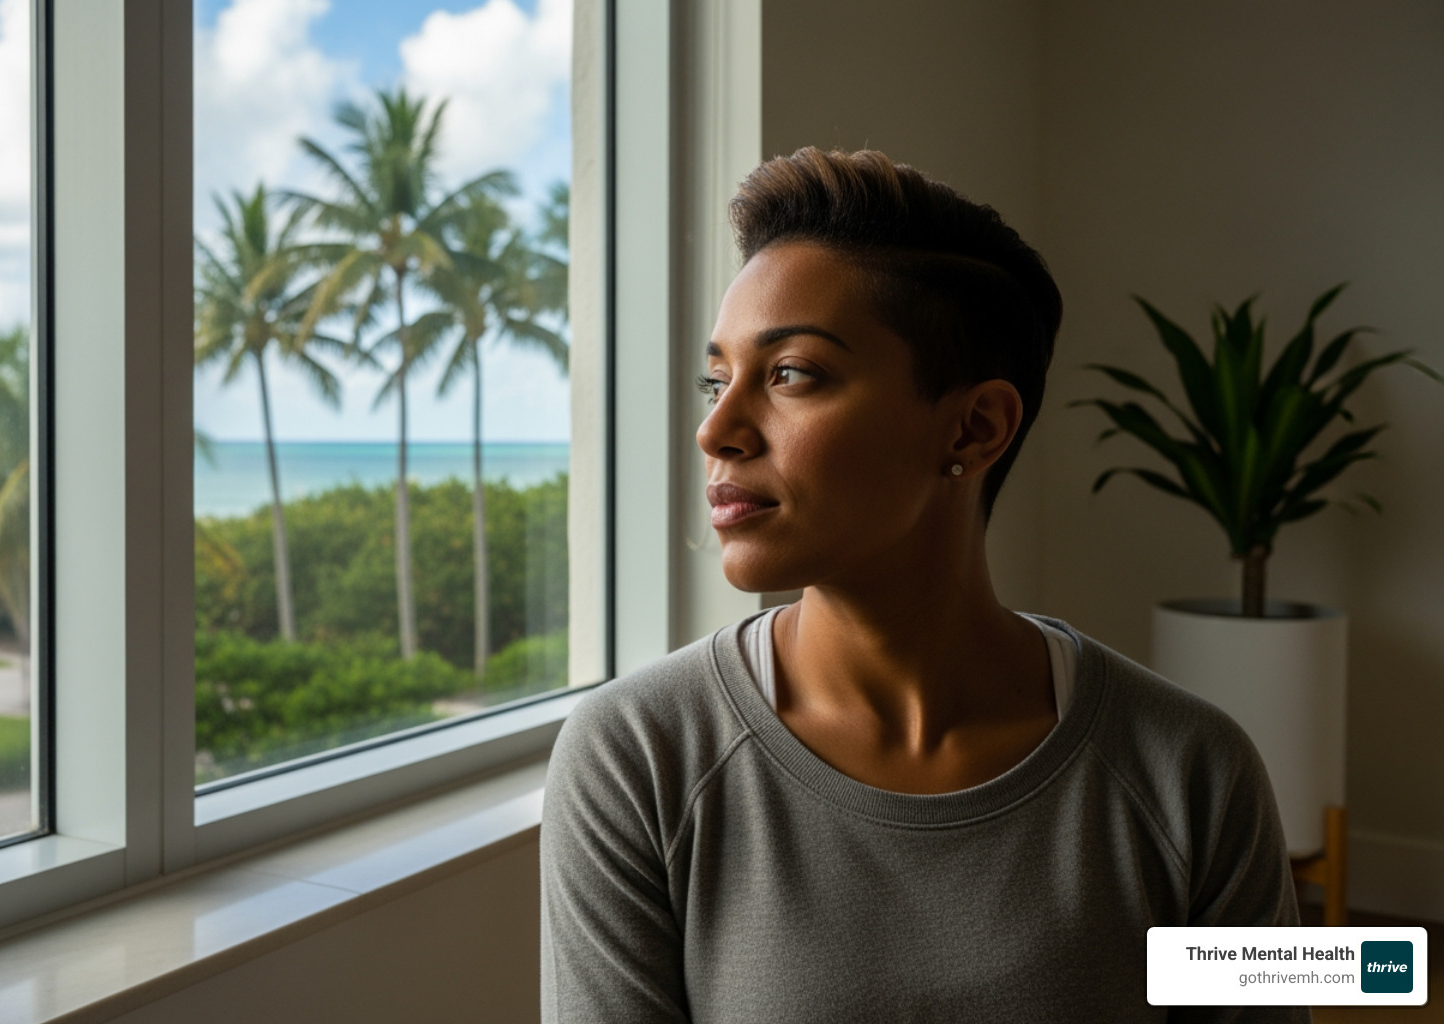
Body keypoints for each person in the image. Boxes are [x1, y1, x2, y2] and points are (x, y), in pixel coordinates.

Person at [540, 147, 1307, 1023]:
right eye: (717, 381)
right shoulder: (635, 757)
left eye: (790, 373)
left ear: (975, 429)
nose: (717, 428)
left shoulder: (1194, 772)